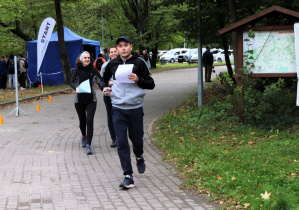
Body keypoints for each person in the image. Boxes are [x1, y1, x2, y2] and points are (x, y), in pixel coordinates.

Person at [100, 36, 155, 189]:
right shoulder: (112, 64)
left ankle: (139, 156)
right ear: (117, 49)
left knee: (137, 140)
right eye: (120, 46)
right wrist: (104, 88)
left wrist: (139, 80)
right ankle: (128, 175)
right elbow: (102, 80)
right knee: (122, 142)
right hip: (117, 108)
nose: (123, 48)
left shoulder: (139, 63)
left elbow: (151, 84)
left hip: (135, 108)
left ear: (131, 47)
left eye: (125, 45)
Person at [70, 51, 101, 155]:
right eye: (85, 58)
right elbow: (71, 82)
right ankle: (84, 135)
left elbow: (99, 79)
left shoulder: (93, 70)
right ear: (81, 59)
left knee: (89, 120)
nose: (87, 59)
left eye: (89, 58)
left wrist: (104, 85)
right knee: (82, 122)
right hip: (79, 100)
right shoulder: (77, 70)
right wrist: (76, 88)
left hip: (91, 99)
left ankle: (88, 145)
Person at [100, 46, 118, 148]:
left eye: (115, 51)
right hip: (108, 95)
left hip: (120, 94)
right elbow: (102, 80)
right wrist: (106, 85)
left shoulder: (122, 65)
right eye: (111, 52)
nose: (113, 53)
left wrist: (114, 82)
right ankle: (114, 139)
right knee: (110, 115)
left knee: (119, 115)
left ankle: (121, 137)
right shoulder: (105, 66)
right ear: (109, 54)